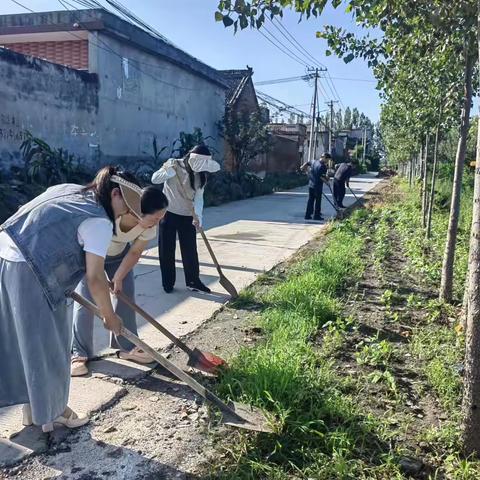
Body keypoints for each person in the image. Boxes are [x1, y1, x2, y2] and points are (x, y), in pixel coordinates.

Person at [0, 166, 142, 432]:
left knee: (21, 340)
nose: (123, 215)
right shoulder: (98, 221)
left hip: (6, 257)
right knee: (50, 345)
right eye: (125, 208)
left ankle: (33, 409)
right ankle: (54, 411)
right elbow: (96, 278)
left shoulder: (70, 190)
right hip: (31, 270)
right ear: (115, 194)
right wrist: (110, 317)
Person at [71, 180, 168, 377]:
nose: (158, 222)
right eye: (155, 217)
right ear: (138, 211)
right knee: (87, 300)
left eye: (161, 218)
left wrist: (119, 277)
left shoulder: (149, 227)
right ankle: (78, 353)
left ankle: (125, 347)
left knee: (126, 295)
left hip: (119, 257)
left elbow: (134, 253)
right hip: (92, 255)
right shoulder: (114, 213)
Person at [151, 144, 220, 294]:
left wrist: (198, 217)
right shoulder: (173, 165)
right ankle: (167, 283)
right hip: (168, 214)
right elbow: (154, 179)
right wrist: (167, 172)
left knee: (190, 252)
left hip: (188, 216)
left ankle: (193, 281)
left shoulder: (201, 176)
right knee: (166, 250)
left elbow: (199, 198)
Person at [301, 153, 329, 220]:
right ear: (324, 157)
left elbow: (307, 163)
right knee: (318, 201)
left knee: (310, 200)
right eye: (327, 159)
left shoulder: (314, 161)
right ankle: (316, 216)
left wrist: (302, 167)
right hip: (317, 186)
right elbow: (321, 177)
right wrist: (327, 182)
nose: (327, 161)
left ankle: (307, 215)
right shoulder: (323, 166)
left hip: (311, 185)